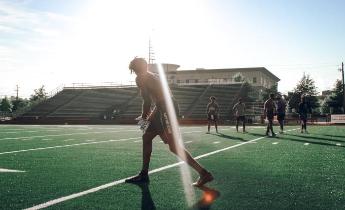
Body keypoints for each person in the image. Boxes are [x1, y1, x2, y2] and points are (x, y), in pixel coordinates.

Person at [125, 57, 213, 186]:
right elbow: (161, 98)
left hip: (166, 109)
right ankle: (144, 173)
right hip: (164, 107)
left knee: (173, 146)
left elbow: (148, 101)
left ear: (135, 69)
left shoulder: (141, 78)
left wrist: (144, 116)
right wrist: (151, 116)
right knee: (147, 137)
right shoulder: (153, 76)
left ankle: (203, 173)